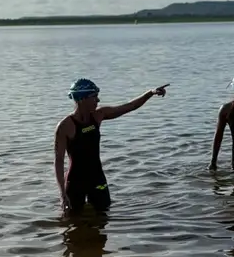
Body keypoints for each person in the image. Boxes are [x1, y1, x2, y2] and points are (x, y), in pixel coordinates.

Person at [54, 78, 168, 215]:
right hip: (75, 182)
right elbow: (59, 161)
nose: (98, 100)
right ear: (82, 99)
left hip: (97, 178)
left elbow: (129, 106)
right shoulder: (65, 126)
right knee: (71, 218)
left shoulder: (98, 115)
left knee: (103, 218)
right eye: (94, 97)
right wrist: (62, 193)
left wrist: (150, 93)